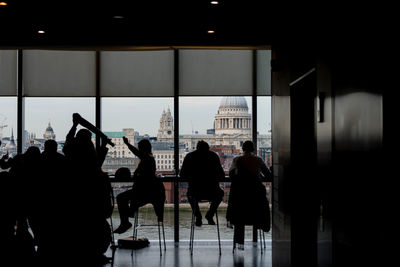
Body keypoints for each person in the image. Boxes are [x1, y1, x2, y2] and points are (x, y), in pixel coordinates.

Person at [113, 137, 165, 234]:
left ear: (143, 148)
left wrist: (128, 144)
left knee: (120, 198)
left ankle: (126, 221)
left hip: (143, 192)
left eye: (140, 147)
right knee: (124, 199)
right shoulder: (150, 158)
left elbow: (137, 153)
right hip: (147, 192)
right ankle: (128, 215)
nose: (139, 150)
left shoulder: (147, 158)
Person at [226, 140, 272, 249]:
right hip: (256, 197)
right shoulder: (258, 160)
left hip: (240, 197)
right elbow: (268, 175)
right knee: (263, 205)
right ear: (253, 149)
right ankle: (261, 224)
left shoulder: (237, 159)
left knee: (238, 212)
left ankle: (239, 242)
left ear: (242, 148)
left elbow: (232, 175)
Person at [180, 140, 225, 226]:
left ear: (197, 148)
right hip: (212, 191)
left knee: (190, 196)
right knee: (220, 194)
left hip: (195, 191)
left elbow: (182, 175)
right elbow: (222, 175)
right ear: (208, 148)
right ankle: (210, 215)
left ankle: (198, 216)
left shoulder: (189, 156)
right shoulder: (214, 156)